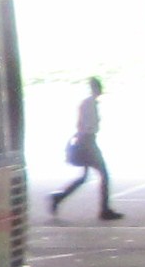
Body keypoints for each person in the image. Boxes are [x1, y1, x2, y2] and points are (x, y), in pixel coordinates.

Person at [50, 76, 120, 220]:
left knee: (84, 177)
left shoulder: (89, 103)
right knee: (104, 175)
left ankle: (58, 198)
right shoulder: (90, 104)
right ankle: (104, 210)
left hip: (86, 141)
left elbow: (81, 124)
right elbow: (85, 125)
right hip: (88, 142)